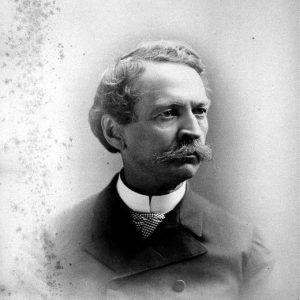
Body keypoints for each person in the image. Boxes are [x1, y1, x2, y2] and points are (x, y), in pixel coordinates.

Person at [45, 40, 274, 299]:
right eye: (168, 113)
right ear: (114, 132)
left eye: (199, 111)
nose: (194, 130)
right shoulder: (53, 242)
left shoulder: (245, 249)